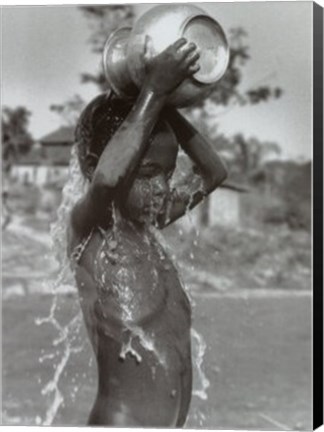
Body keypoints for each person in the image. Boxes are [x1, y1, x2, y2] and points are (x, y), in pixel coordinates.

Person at [68, 37, 227, 427]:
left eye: (168, 174)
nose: (162, 188)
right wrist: (153, 91)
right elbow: (107, 180)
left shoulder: (149, 224)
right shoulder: (92, 232)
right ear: (91, 167)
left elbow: (214, 173)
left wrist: (167, 104)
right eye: (148, 174)